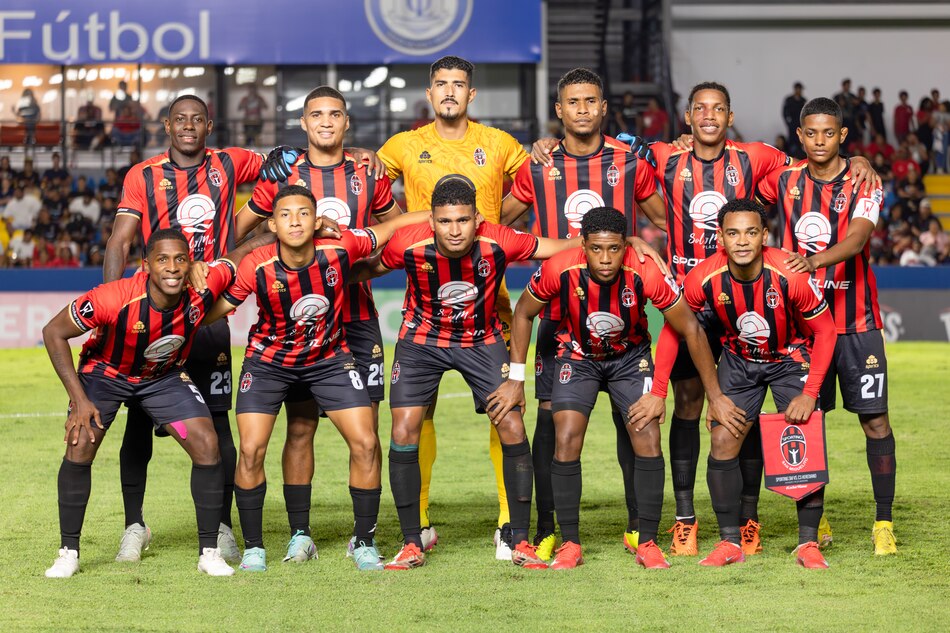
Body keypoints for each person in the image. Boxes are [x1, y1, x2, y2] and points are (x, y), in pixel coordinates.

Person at [617, 83, 880, 557]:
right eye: (700, 109)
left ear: (731, 115)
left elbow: (816, 162)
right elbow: (612, 146)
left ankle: (756, 522)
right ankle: (686, 519)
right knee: (692, 405)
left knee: (762, 416)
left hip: (755, 307)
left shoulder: (757, 156)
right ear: (687, 117)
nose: (709, 116)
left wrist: (860, 161)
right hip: (694, 297)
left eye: (718, 109)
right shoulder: (662, 154)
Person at [103, 94, 298, 565]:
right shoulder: (142, 176)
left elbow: (287, 163)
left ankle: (223, 526)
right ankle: (135, 524)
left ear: (209, 126)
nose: (188, 126)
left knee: (215, 421)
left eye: (197, 119)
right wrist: (115, 311)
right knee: (138, 424)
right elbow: (121, 240)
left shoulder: (229, 164)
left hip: (206, 315)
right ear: (166, 126)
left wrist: (253, 231)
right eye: (180, 120)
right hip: (151, 319)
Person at [490, 207, 742, 569]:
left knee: (647, 434)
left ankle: (648, 542)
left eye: (613, 249)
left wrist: (714, 397)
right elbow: (524, 313)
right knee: (566, 436)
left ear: (626, 246)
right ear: (583, 245)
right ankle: (570, 543)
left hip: (630, 358)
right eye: (596, 249)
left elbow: (691, 329)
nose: (605, 259)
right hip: (577, 357)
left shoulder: (645, 271)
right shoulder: (559, 267)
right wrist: (516, 378)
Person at [355, 175, 576, 570]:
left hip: (481, 341)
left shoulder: (500, 239)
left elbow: (557, 247)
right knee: (403, 430)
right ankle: (411, 542)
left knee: (511, 424)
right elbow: (364, 269)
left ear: (477, 218)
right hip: (421, 342)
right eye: (445, 221)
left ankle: (520, 540)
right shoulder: (408, 243)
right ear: (432, 221)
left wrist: (633, 244)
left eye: (462, 221)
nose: (454, 231)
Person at [202, 185, 425, 572]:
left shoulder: (342, 247)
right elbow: (217, 309)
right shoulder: (256, 263)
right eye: (285, 214)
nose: (295, 221)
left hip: (328, 359)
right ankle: (255, 548)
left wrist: (440, 215)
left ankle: (365, 542)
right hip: (268, 363)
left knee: (367, 442)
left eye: (304, 213)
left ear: (316, 220)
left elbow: (395, 226)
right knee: (252, 449)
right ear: (272, 224)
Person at [500, 67, 668, 560]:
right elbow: (497, 224)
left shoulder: (628, 160)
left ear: (603, 108)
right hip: (557, 314)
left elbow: (664, 217)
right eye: (572, 102)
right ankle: (550, 527)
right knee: (552, 426)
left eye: (590, 101)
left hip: (622, 312)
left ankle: (640, 527)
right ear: (559, 110)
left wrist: (638, 239)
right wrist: (544, 252)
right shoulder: (537, 166)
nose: (582, 110)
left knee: (631, 421)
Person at [41, 227, 272, 578]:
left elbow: (239, 254)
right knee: (80, 443)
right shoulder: (111, 297)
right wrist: (79, 399)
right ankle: (68, 552)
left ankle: (209, 552)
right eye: (162, 259)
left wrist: (272, 229)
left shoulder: (203, 286)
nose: (173, 268)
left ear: (190, 263)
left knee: (208, 444)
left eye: (180, 259)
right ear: (146, 265)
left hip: (162, 378)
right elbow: (53, 332)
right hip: (105, 375)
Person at [373, 56, 532, 557]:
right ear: (428, 93)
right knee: (418, 413)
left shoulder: (500, 144)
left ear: (472, 94)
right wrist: (408, 224)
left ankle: (509, 523)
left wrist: (498, 228)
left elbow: (535, 186)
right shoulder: (404, 145)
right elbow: (373, 186)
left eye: (458, 85)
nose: (449, 91)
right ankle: (416, 521)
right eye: (440, 84)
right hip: (428, 301)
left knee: (504, 410)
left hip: (492, 300)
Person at [239, 85, 402, 559]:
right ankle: (300, 533)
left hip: (355, 318)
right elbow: (236, 233)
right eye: (316, 115)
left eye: (335, 114)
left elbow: (392, 235)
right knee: (301, 428)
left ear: (346, 122)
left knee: (365, 430)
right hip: (295, 325)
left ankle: (362, 536)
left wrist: (357, 262)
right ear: (304, 123)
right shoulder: (282, 175)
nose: (326, 122)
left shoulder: (368, 172)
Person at [759, 97, 897, 556]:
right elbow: (730, 163)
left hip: (857, 323)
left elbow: (858, 238)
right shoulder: (785, 178)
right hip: (800, 327)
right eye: (811, 133)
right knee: (806, 421)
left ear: (842, 136)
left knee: (875, 422)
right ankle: (816, 522)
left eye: (829, 133)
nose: (820, 141)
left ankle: (883, 522)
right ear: (800, 136)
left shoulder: (865, 181)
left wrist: (812, 260)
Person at [677, 198, 838, 569]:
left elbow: (826, 332)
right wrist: (708, 396)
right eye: (733, 233)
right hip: (738, 359)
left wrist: (809, 393)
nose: (743, 241)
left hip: (790, 358)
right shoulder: (703, 276)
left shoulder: (790, 273)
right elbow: (678, 331)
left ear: (765, 235)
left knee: (803, 438)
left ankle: (808, 544)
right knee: (722, 437)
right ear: (721, 237)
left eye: (751, 232)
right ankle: (729, 542)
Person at [782, 82, 806, 158]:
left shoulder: (803, 100)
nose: (799, 91)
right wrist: (789, 123)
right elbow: (785, 113)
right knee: (792, 144)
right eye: (798, 89)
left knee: (800, 143)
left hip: (801, 125)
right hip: (792, 126)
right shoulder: (789, 100)